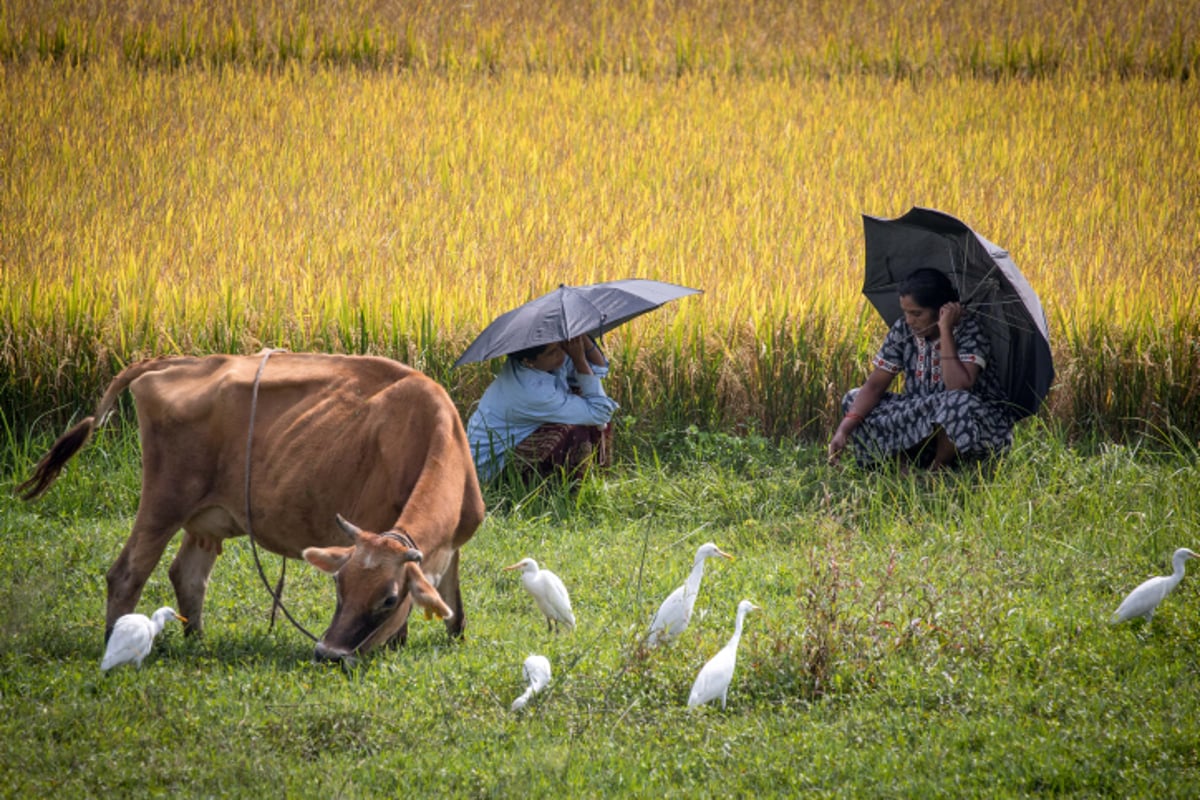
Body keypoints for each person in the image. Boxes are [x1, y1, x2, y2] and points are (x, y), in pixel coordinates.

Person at [827, 268, 1014, 471]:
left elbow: (957, 386)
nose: (909, 320)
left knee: (957, 401)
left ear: (941, 310)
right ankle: (902, 464)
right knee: (854, 398)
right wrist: (843, 430)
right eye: (905, 312)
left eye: (917, 313)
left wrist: (945, 330)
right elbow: (874, 386)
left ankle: (939, 468)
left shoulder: (970, 331)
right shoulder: (904, 330)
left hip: (972, 428)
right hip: (923, 418)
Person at [466, 335, 618, 482]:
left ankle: (598, 475)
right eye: (552, 352)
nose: (561, 353)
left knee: (584, 395)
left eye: (560, 345)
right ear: (528, 361)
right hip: (490, 466)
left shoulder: (539, 362)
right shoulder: (532, 391)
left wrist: (579, 334)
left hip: (513, 439)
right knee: (575, 430)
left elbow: (599, 370)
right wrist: (579, 360)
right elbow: (600, 412)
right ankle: (569, 491)